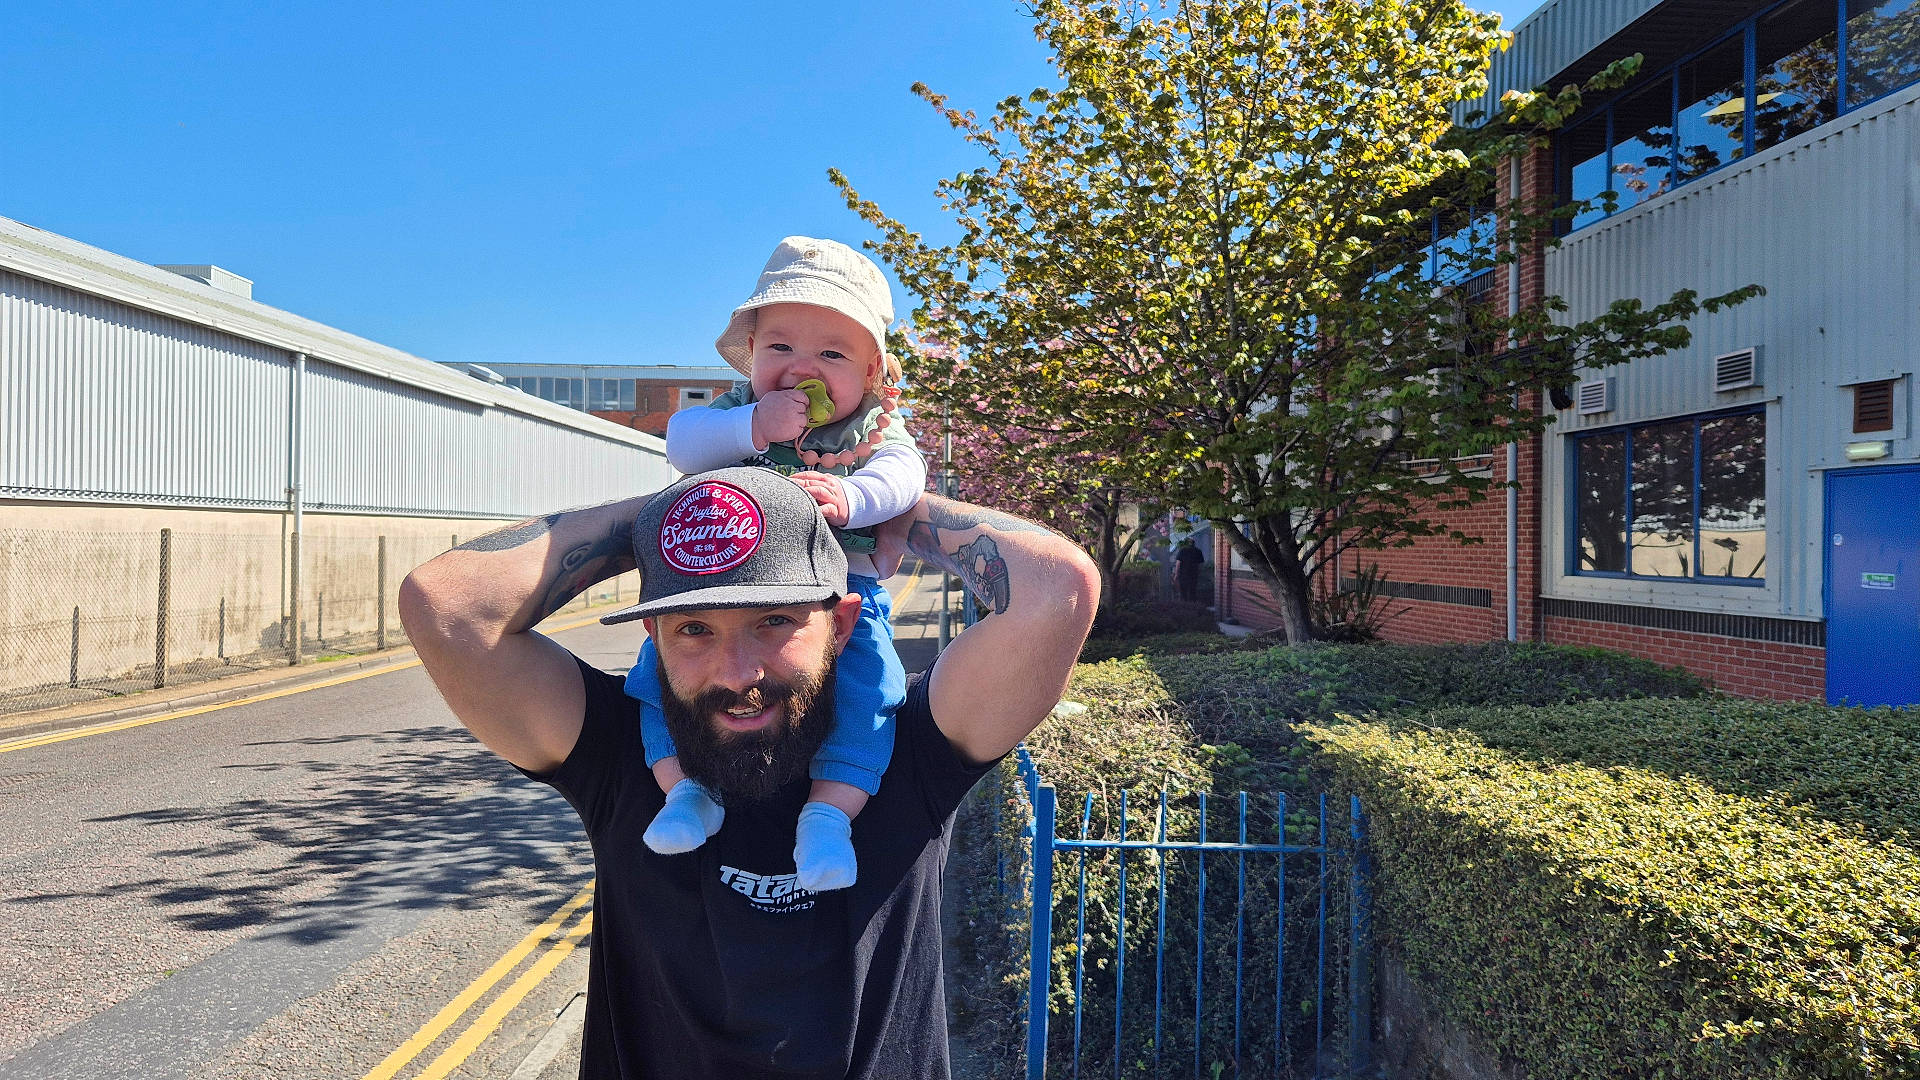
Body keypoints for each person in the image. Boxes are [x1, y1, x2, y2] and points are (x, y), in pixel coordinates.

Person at [399, 466, 1098, 1079]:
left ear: (844, 624)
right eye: (694, 630)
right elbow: (447, 603)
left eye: (773, 620)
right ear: (655, 640)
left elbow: (1056, 588)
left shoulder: (907, 749)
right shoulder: (619, 752)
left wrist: (884, 506)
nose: (738, 675)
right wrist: (688, 511)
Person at [630, 237, 923, 894]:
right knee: (656, 677)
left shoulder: (871, 431)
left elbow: (906, 475)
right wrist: (755, 429)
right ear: (754, 353)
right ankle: (685, 792)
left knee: (871, 696)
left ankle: (828, 817)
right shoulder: (738, 412)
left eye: (832, 353)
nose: (802, 368)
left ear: (872, 373)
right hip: (720, 588)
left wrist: (854, 496)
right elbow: (683, 441)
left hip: (844, 589)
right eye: (780, 348)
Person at [1174, 536, 1206, 602]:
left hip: (1183, 575)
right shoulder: (1198, 551)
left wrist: (1176, 575)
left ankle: (1185, 606)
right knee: (1192, 591)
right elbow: (1201, 564)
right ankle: (1192, 606)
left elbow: (1178, 564)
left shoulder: (1182, 551)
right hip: (1194, 575)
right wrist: (1199, 573)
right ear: (1194, 543)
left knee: (1183, 592)